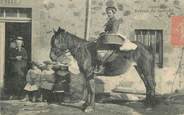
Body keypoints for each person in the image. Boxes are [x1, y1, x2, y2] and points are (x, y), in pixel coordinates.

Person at [95, 6, 137, 74]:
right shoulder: (109, 21)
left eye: (109, 13)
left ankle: (101, 66)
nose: (108, 14)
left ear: (113, 13)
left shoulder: (115, 21)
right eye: (107, 13)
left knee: (105, 52)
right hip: (107, 39)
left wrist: (105, 33)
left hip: (111, 40)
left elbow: (114, 31)